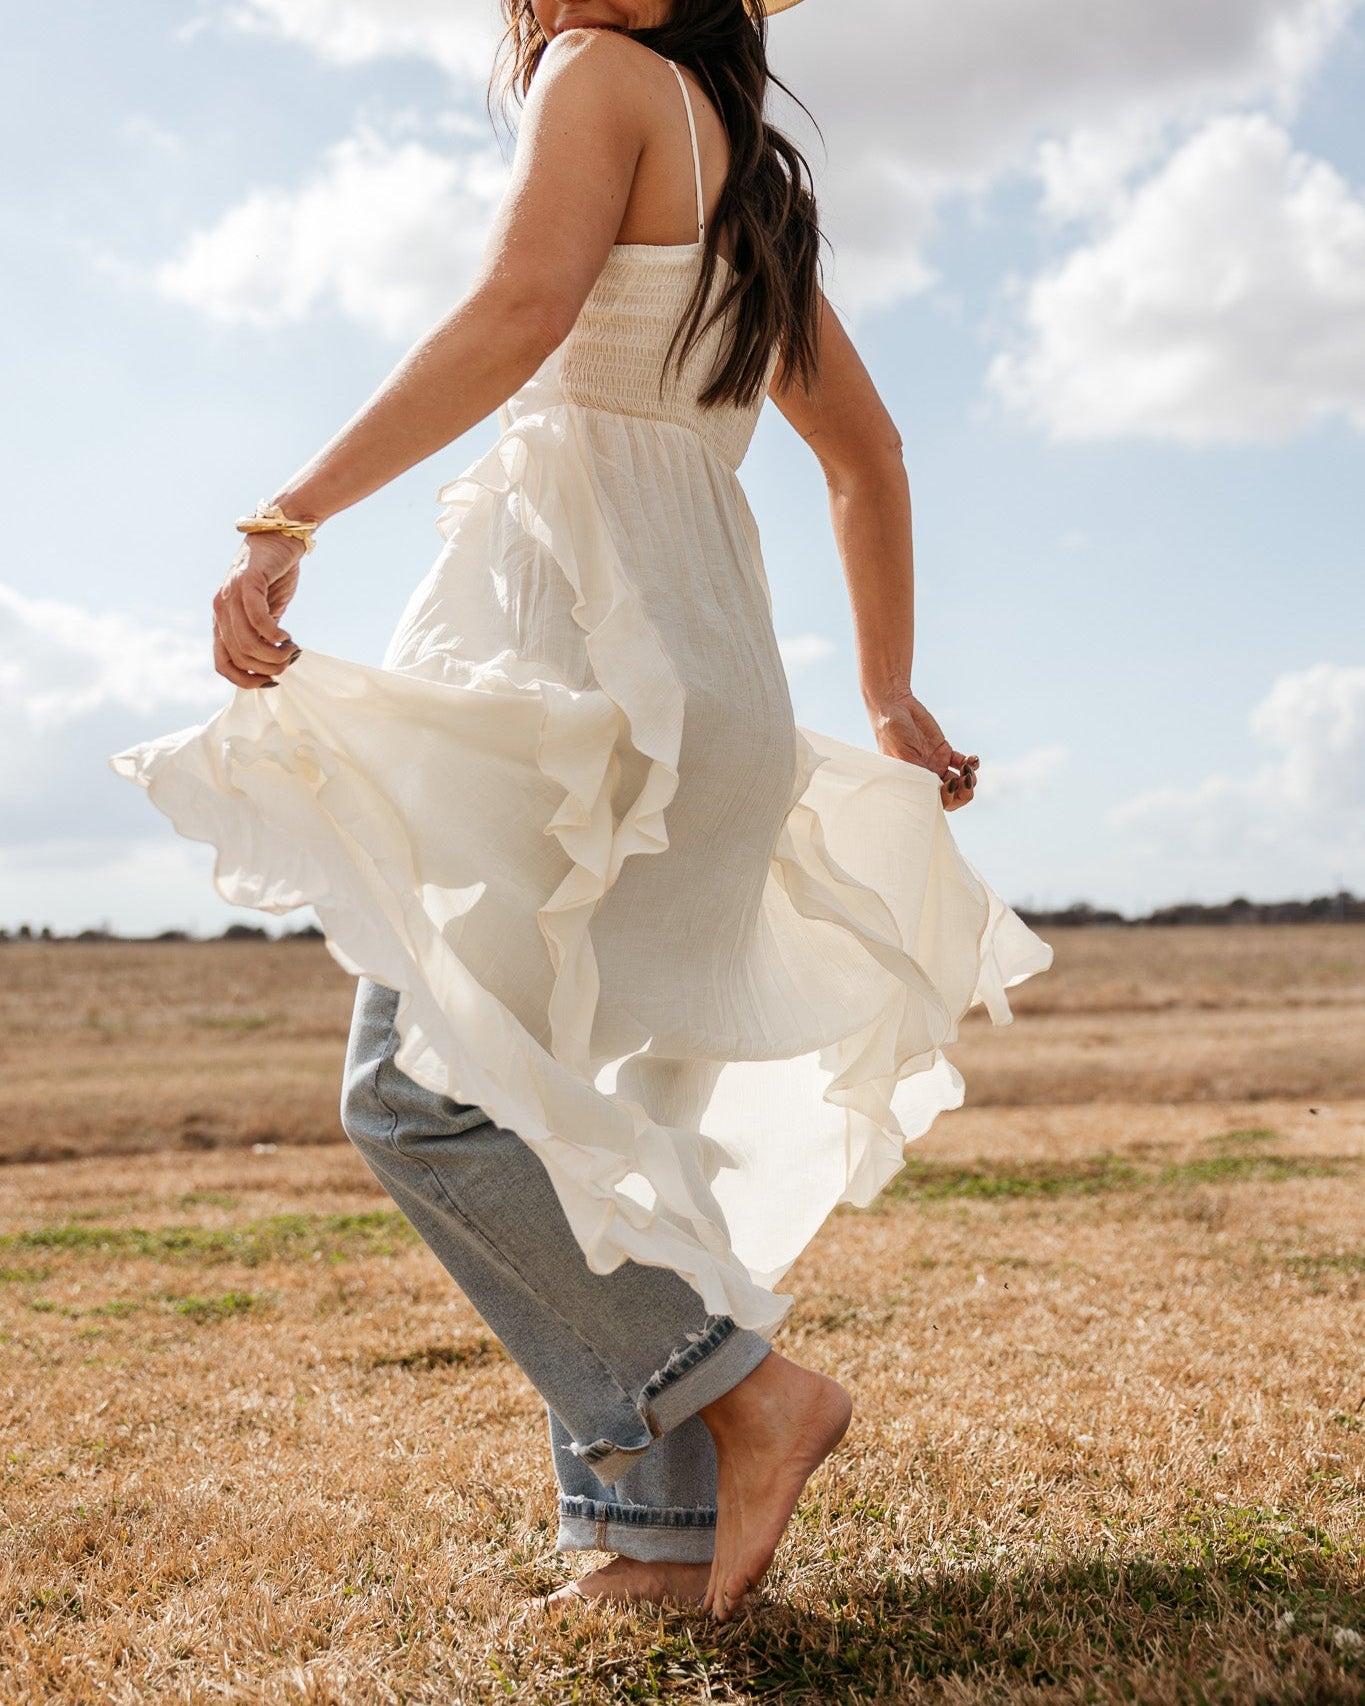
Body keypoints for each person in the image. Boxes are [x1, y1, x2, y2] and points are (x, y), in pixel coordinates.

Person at [111, 0, 1052, 1619]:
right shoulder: (744, 170)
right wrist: (887, 691)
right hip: (708, 695)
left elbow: (518, 306)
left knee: (421, 1093)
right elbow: (868, 454)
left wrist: (291, 511)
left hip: (589, 681)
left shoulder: (592, 73)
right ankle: (651, 1550)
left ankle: (744, 1388)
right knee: (571, 1106)